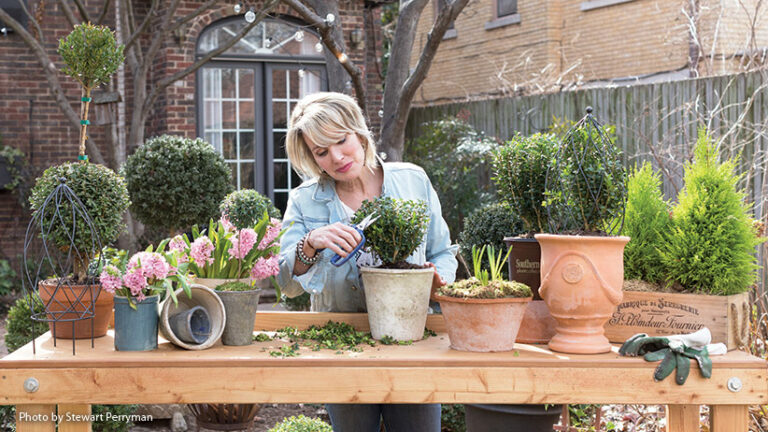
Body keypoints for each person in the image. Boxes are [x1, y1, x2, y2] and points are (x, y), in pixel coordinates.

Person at [277, 92, 458, 432]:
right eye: (321, 152)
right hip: (343, 348)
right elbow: (284, 282)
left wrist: (439, 283)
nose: (336, 157)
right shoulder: (304, 201)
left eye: (340, 140)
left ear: (358, 133)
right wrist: (310, 244)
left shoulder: (412, 181)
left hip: (411, 342)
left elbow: (442, 253)